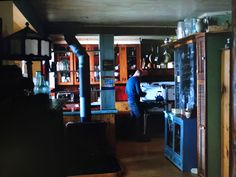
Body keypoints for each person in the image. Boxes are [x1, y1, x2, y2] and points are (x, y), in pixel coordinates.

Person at [125, 69, 149, 141]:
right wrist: (145, 94)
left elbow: (126, 91)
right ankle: (139, 137)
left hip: (130, 101)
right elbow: (139, 92)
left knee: (133, 118)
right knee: (139, 117)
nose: (141, 77)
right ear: (139, 74)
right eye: (141, 75)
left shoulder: (129, 80)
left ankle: (128, 135)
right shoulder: (136, 80)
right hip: (134, 101)